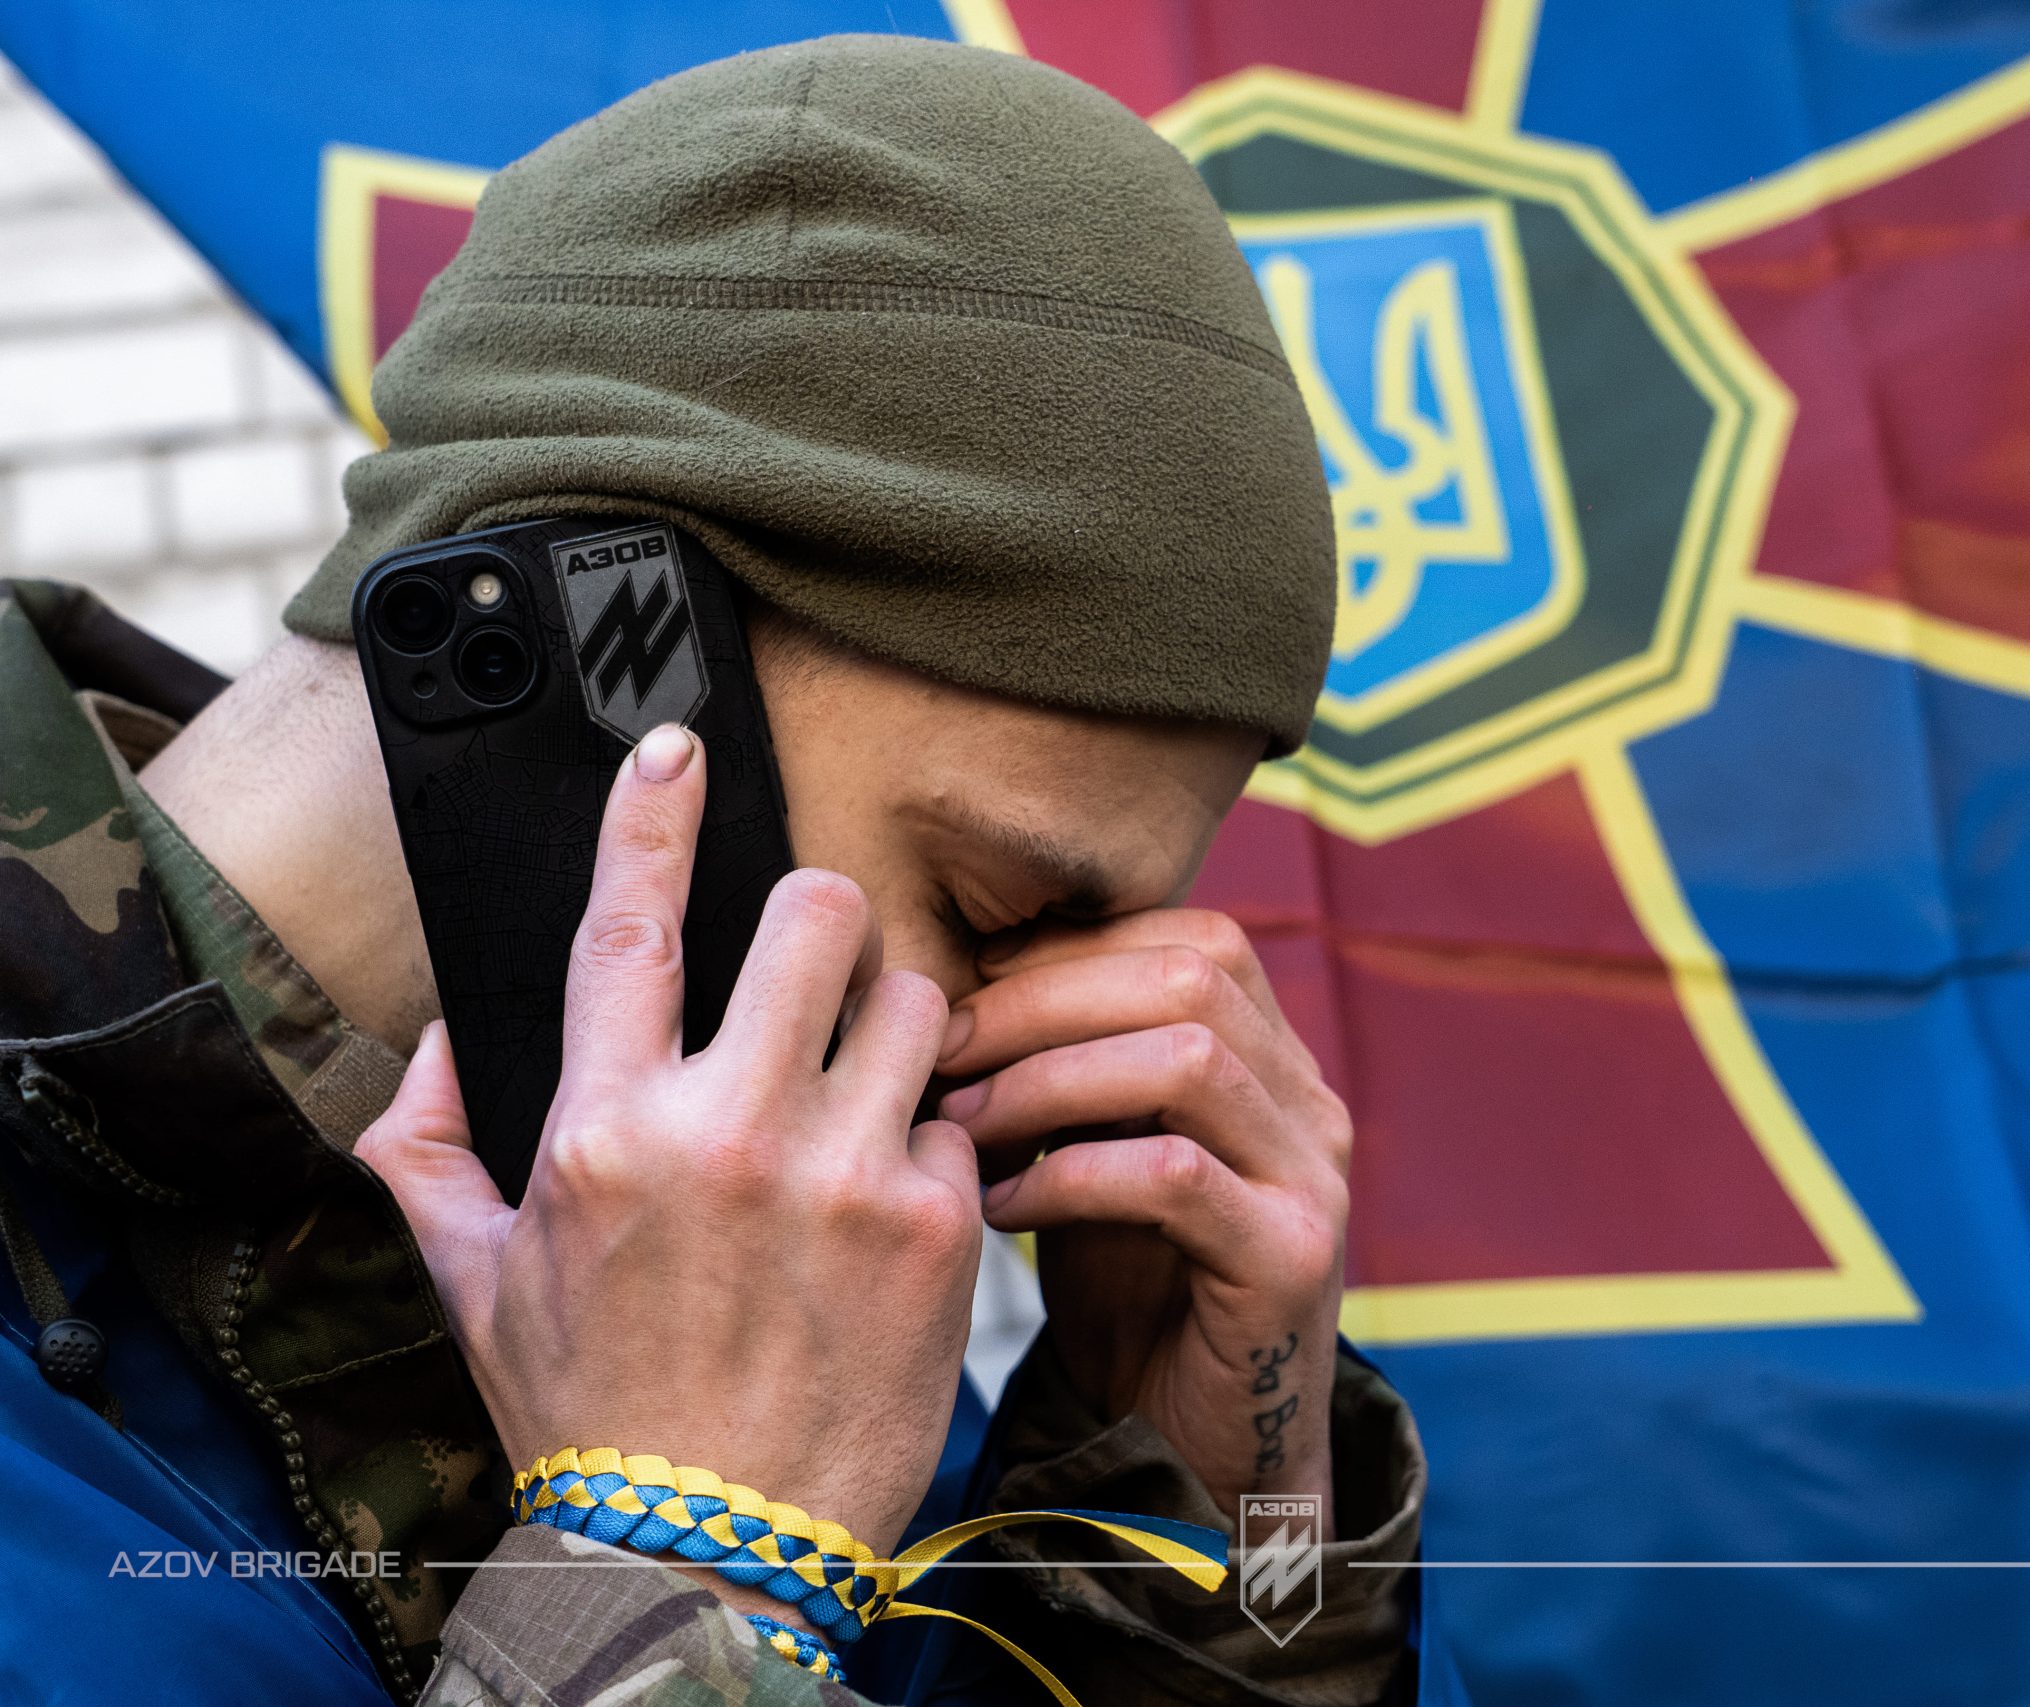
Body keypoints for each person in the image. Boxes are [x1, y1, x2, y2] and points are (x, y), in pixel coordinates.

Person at [0, 34, 1422, 1707]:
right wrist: (674, 1565)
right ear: (618, 648)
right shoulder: (740, 1381)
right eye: (994, 913)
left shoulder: (768, 1311)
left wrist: (1234, 1541)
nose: (1030, 1051)